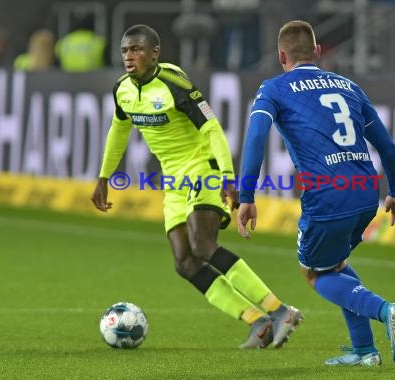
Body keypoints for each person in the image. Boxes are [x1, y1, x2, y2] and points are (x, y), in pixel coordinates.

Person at [91, 24, 303, 349]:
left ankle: (280, 311)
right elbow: (118, 131)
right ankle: (257, 322)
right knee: (184, 262)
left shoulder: (174, 83)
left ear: (154, 53)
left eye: (136, 49)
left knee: (203, 245)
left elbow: (213, 129)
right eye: (124, 51)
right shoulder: (122, 90)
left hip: (202, 166)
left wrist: (227, 177)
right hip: (173, 180)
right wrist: (104, 177)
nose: (129, 56)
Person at [237, 20, 395, 366]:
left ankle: (385, 310)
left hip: (327, 194)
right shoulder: (349, 86)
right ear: (317, 53)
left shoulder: (274, 88)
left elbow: (256, 138)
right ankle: (364, 350)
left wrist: (246, 196)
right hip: (366, 192)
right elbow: (386, 145)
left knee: (314, 273)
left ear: (281, 55)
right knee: (337, 264)